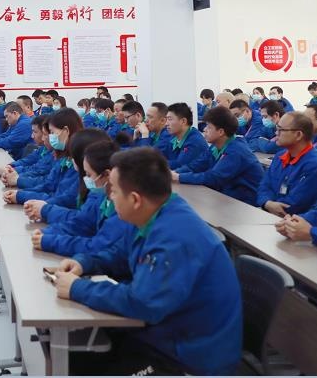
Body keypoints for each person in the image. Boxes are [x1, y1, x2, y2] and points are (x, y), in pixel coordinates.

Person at [51, 148, 242, 376]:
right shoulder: (154, 213)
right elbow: (119, 254)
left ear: (135, 199)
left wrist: (77, 288)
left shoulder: (175, 237)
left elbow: (143, 304)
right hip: (161, 335)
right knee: (71, 356)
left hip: (187, 358)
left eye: (114, 191)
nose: (109, 196)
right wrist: (84, 263)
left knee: (77, 365)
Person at [25, 130, 114, 231]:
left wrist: (44, 209)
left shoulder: (97, 187)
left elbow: (80, 219)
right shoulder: (91, 180)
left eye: (52, 132)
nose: (71, 159)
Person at [173, 106, 264, 203]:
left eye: (209, 127)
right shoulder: (215, 147)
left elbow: (214, 178)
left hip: (246, 203)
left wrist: (179, 177)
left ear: (221, 132)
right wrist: (174, 173)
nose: (204, 130)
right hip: (228, 195)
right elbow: (196, 165)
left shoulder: (236, 150)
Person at [3, 108, 82, 208]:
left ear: (66, 131)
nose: (45, 138)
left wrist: (19, 187)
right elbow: (48, 184)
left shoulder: (77, 161)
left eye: (51, 133)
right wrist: (20, 193)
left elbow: (64, 199)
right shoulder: (63, 157)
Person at [256, 111, 317, 216]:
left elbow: (296, 204)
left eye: (281, 130)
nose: (276, 133)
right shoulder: (279, 157)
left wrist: (270, 205)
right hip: (269, 212)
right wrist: (267, 203)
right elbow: (264, 186)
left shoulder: (315, 165)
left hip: (294, 220)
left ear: (298, 135)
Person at [166, 102, 211, 173]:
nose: (166, 124)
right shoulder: (173, 138)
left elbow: (179, 165)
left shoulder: (195, 141)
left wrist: (155, 163)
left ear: (183, 121)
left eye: (170, 119)